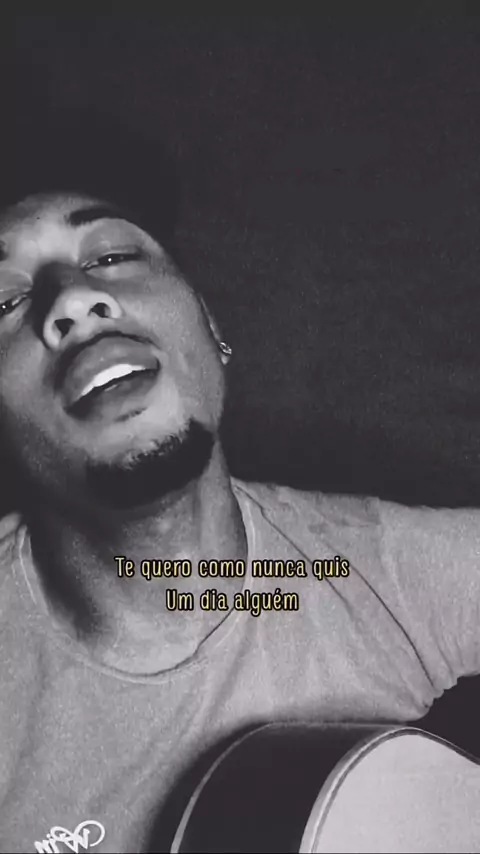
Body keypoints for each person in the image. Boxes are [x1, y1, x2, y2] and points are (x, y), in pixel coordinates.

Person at [1, 178, 480, 852]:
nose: (74, 298)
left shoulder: (382, 572)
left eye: (111, 257)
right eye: (6, 300)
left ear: (213, 331)